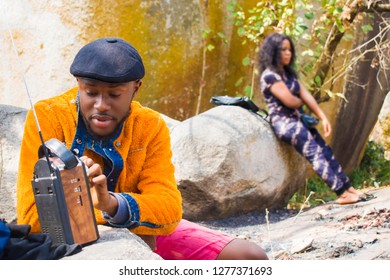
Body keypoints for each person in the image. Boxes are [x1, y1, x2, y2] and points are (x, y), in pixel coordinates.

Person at [16, 37, 268, 260]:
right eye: (90, 92)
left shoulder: (150, 125)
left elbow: (169, 208)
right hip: (97, 233)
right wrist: (95, 208)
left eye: (114, 95)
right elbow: (31, 217)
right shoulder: (47, 117)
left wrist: (111, 203)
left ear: (136, 88)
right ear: (77, 83)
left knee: (250, 257)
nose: (101, 105)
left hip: (133, 219)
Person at [258, 32, 369, 205]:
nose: (288, 53)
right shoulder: (269, 76)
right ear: (273, 51)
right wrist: (300, 100)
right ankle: (342, 194)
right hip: (285, 124)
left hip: (298, 121)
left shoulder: (288, 74)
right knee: (315, 153)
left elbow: (306, 95)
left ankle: (349, 188)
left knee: (326, 151)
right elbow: (291, 101)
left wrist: (323, 117)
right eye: (283, 50)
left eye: (290, 49)